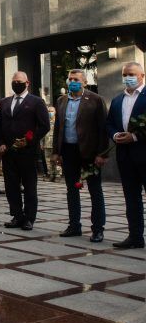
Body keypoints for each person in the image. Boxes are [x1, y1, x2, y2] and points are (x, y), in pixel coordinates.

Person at [52, 69, 108, 242]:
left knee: (94, 190)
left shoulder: (95, 100)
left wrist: (102, 153)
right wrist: (56, 151)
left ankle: (98, 229)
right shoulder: (61, 100)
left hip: (90, 152)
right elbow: (58, 128)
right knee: (72, 189)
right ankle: (74, 225)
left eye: (76, 79)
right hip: (69, 151)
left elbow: (102, 128)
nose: (72, 81)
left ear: (84, 82)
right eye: (69, 79)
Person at [0, 70, 51, 231]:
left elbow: (44, 126)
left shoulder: (36, 102)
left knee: (29, 186)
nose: (16, 84)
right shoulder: (4, 102)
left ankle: (29, 218)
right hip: (8, 152)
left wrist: (28, 139)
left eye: (19, 81)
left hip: (28, 151)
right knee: (11, 186)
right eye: (14, 81)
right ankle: (17, 215)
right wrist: (0, 143)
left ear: (27, 83)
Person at [106, 62, 146, 249]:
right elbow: (110, 124)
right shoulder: (117, 100)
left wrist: (135, 136)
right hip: (125, 157)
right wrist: (115, 135)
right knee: (131, 198)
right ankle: (135, 236)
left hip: (144, 154)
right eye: (125, 74)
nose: (127, 77)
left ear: (142, 75)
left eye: (131, 74)